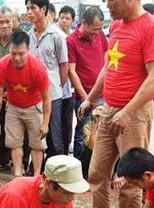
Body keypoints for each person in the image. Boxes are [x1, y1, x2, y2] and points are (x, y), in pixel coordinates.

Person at [77, 0, 154, 208]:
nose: (108, 5)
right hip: (109, 109)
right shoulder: (116, 26)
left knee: (131, 174)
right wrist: (90, 98)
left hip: (135, 114)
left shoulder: (152, 29)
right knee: (97, 170)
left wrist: (128, 111)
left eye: (111, 1)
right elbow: (109, 67)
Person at [0, 31, 51, 177]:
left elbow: (47, 98)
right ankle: (18, 173)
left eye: (21, 54)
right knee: (14, 142)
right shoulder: (2, 65)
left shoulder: (38, 68)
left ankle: (37, 176)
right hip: (13, 106)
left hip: (34, 106)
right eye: (13, 53)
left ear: (28, 51)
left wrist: (45, 123)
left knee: (37, 144)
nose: (17, 58)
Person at [27, 0, 68, 158]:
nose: (29, 12)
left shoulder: (57, 36)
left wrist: (56, 86)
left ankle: (56, 171)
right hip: (32, 95)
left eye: (33, 8)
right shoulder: (28, 36)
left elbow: (64, 66)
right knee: (35, 134)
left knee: (54, 135)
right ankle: (38, 169)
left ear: (43, 9)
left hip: (52, 94)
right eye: (28, 8)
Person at [67, 6, 107, 161]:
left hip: (103, 94)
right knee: (82, 131)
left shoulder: (101, 35)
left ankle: (96, 164)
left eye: (99, 29)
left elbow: (106, 61)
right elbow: (72, 71)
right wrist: (86, 98)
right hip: (83, 95)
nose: (97, 33)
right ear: (85, 22)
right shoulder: (71, 41)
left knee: (102, 132)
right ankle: (80, 165)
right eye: (94, 29)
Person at [0, 6, 16, 172]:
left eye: (8, 21)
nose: (5, 25)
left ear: (13, 22)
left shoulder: (20, 41)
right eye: (1, 22)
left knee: (16, 129)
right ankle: (2, 161)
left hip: (17, 92)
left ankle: (18, 160)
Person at [58, 6, 75, 156]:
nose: (64, 21)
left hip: (70, 86)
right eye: (62, 17)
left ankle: (66, 146)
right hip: (55, 86)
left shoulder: (73, 39)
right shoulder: (55, 36)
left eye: (67, 18)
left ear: (72, 21)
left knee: (67, 120)